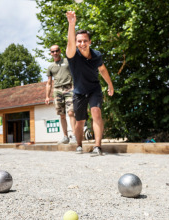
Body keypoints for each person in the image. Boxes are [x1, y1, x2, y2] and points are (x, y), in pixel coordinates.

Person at [65, 11, 114, 156]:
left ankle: (97, 146)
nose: (82, 44)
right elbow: (70, 43)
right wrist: (71, 24)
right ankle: (79, 145)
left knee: (96, 112)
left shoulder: (97, 55)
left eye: (85, 41)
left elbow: (103, 70)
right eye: (79, 41)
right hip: (79, 92)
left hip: (94, 89)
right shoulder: (73, 55)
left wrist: (110, 85)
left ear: (90, 42)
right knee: (80, 122)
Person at [45, 45, 77, 144]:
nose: (55, 53)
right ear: (50, 53)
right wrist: (47, 96)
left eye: (56, 51)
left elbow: (76, 73)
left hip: (69, 88)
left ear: (60, 51)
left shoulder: (67, 61)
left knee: (71, 112)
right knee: (62, 115)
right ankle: (65, 137)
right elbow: (49, 83)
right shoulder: (50, 67)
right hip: (57, 90)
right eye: (52, 51)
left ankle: (75, 136)